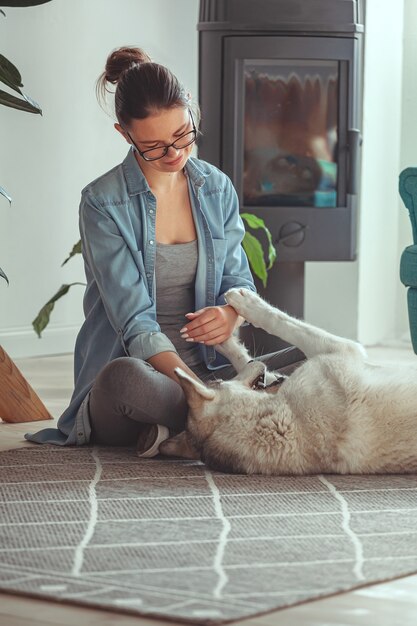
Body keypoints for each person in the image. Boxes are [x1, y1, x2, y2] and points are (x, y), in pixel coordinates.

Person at [25, 46, 304, 454]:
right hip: (151, 383)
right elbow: (136, 325)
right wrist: (196, 392)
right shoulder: (103, 203)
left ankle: (193, 426)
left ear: (190, 109)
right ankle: (225, 415)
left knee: (316, 358)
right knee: (123, 379)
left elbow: (237, 281)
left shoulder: (216, 187)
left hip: (215, 372)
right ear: (125, 134)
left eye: (181, 135)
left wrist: (229, 313)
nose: (174, 154)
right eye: (154, 146)